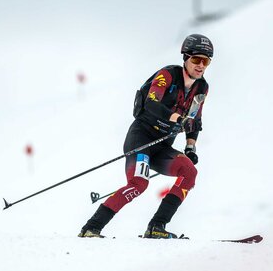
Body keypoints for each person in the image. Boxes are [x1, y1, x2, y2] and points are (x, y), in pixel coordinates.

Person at [78, 34, 213, 238]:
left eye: (206, 61)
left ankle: (156, 227)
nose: (201, 65)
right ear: (185, 58)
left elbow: (195, 121)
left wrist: (190, 147)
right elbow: (151, 103)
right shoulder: (167, 74)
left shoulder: (202, 87)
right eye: (196, 59)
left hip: (162, 146)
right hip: (141, 138)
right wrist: (177, 118)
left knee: (189, 172)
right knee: (139, 183)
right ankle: (91, 227)